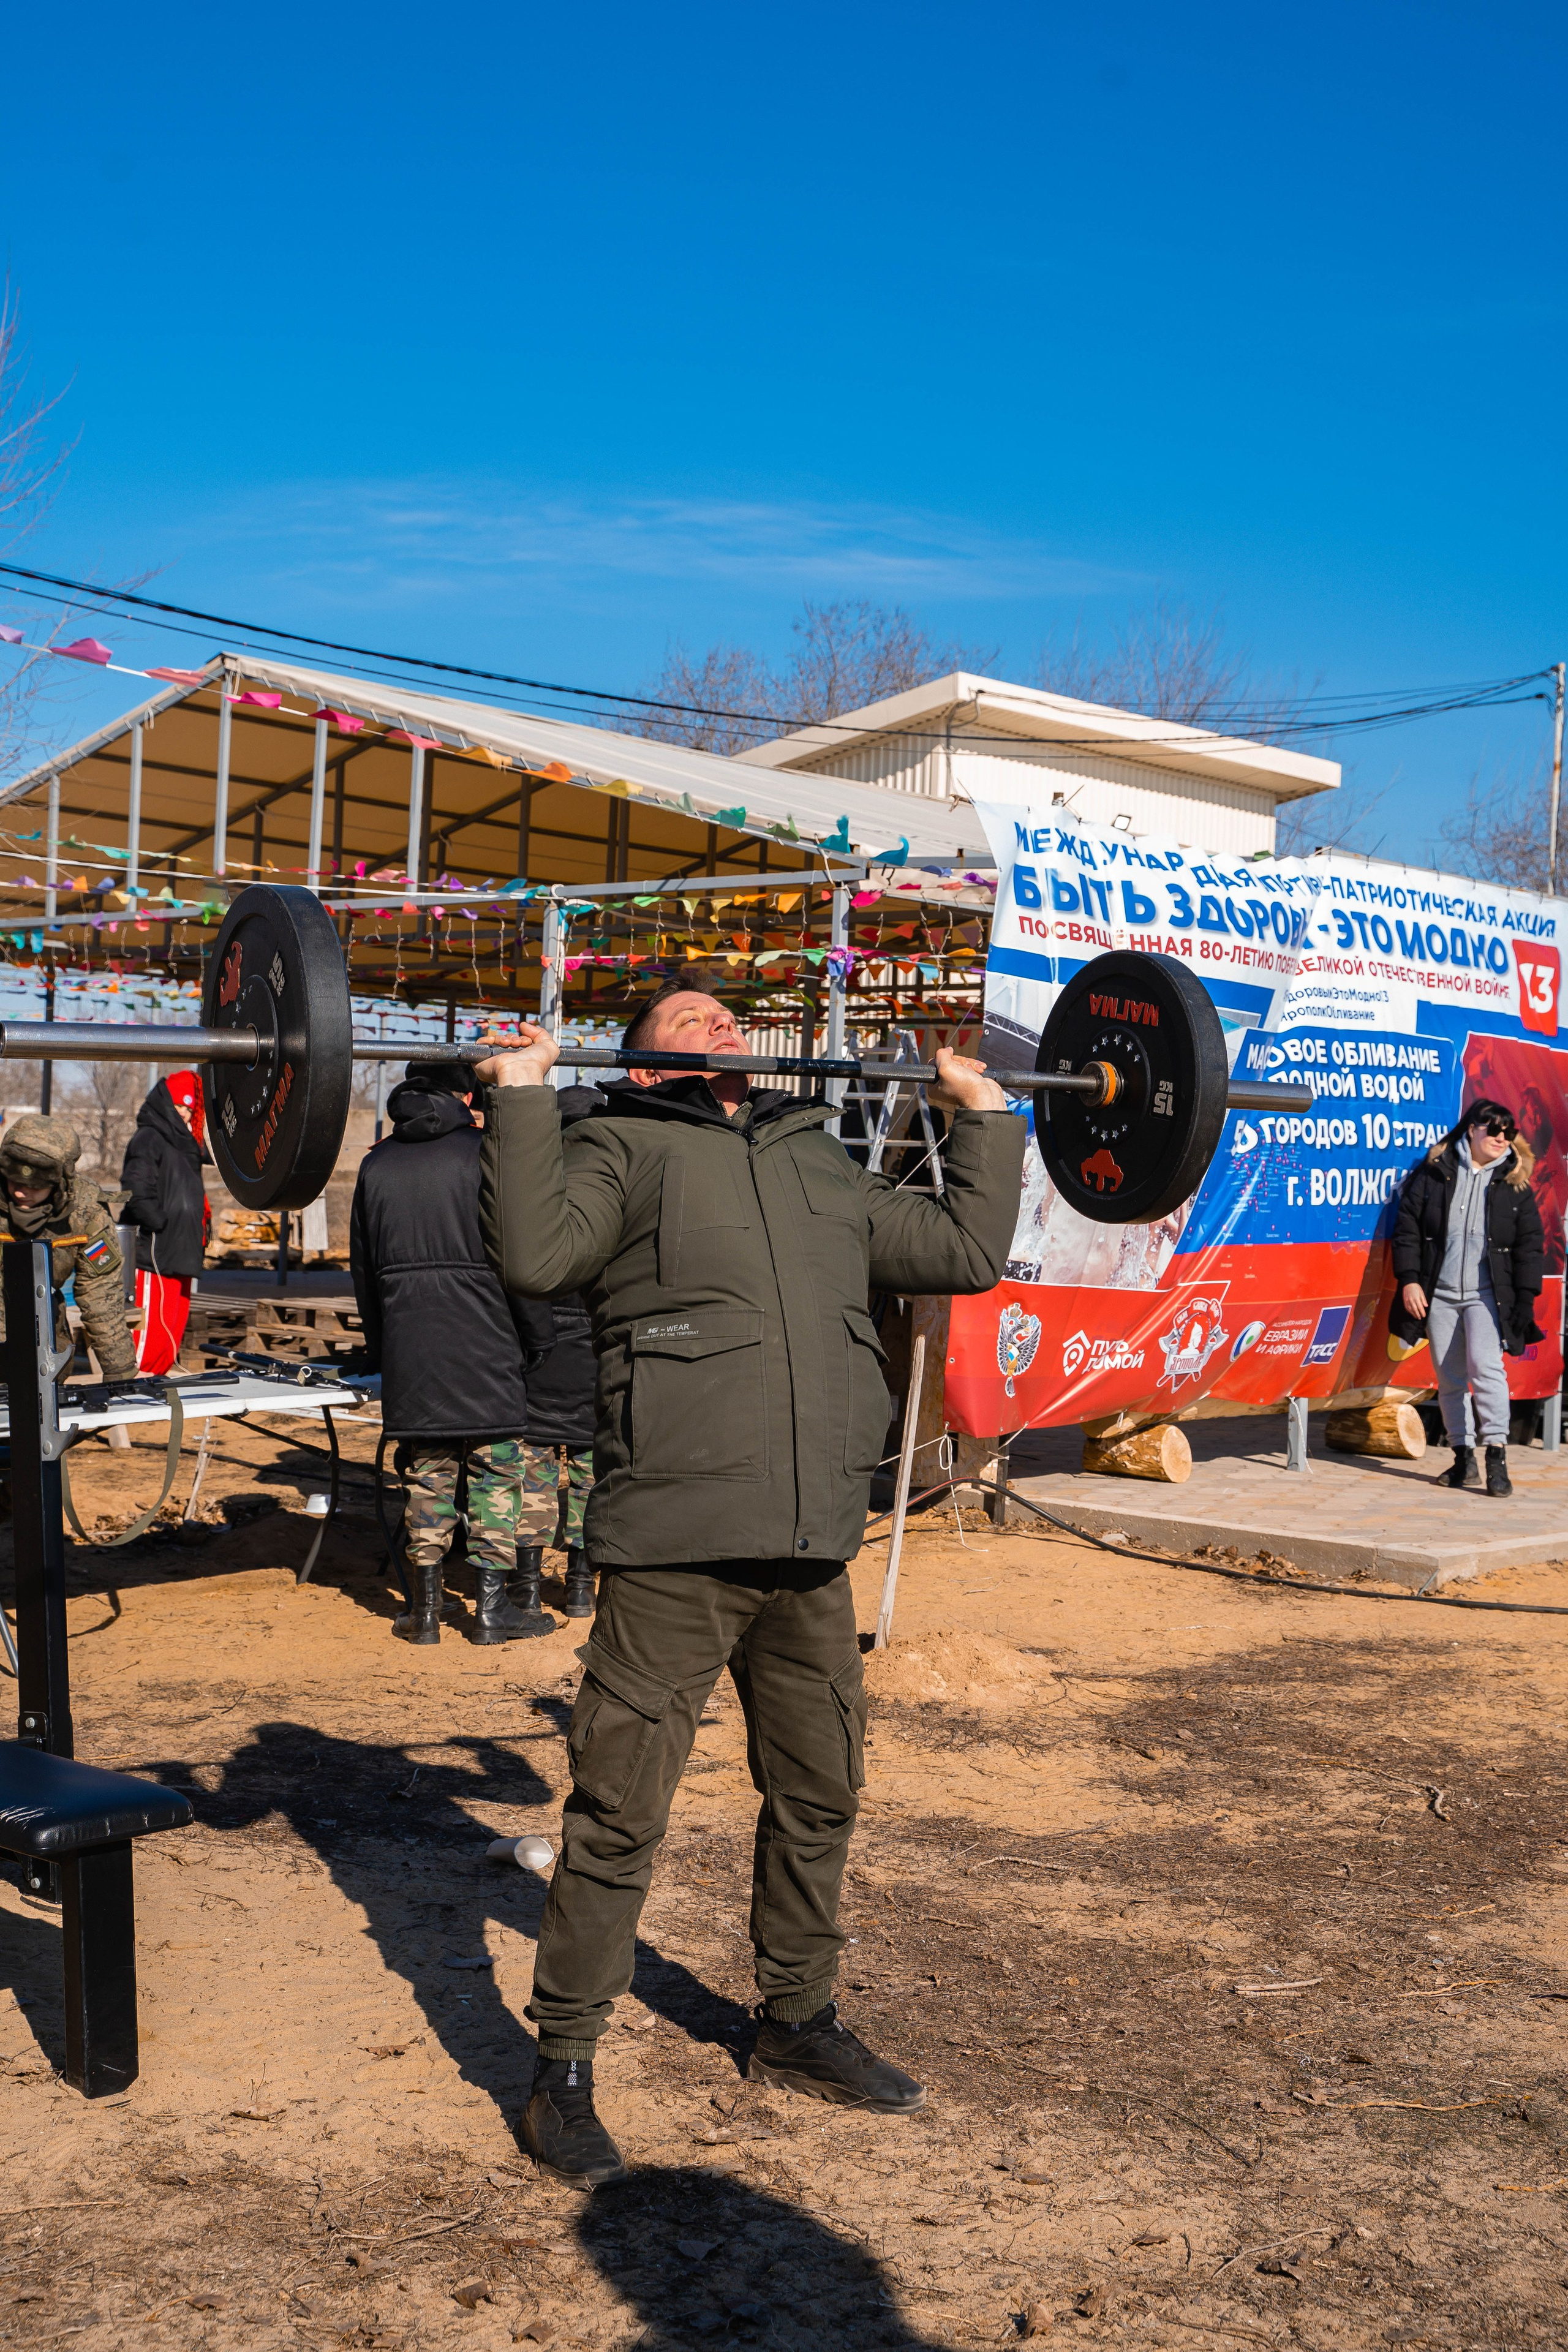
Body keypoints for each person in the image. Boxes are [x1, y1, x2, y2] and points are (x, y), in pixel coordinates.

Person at [476, 982, 1025, 2186]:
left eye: (730, 1014)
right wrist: (520, 1102)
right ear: (644, 1054)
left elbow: (962, 1251)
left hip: (809, 1543)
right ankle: (561, 2067)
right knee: (620, 1815)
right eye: (692, 1015)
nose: (724, 1023)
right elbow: (534, 1252)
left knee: (820, 1792)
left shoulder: (811, 1152)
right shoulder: (618, 1142)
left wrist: (980, 1113)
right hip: (676, 1540)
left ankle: (794, 2025)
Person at [350, 1060, 560, 1644]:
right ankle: (492, 1612)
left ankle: (425, 1614)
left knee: (427, 1471)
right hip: (487, 1331)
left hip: (412, 1342)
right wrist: (538, 1335)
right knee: (496, 1467)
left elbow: (364, 1271)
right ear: (469, 1094)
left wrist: (381, 1344)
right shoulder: (487, 1152)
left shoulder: (376, 1163)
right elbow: (524, 1256)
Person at [1391, 1096, 1545, 1498]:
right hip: (1438, 1295)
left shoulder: (1515, 1182)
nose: (1501, 1137)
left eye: (1508, 1131)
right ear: (1472, 1129)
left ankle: (1497, 1456)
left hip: (1487, 1297)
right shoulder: (1435, 1173)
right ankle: (1464, 1459)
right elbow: (1407, 1227)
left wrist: (1525, 1299)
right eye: (1493, 1128)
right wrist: (1410, 1280)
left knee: (1486, 1369)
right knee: (1449, 1377)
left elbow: (1530, 1246)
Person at [518, 1085, 603, 1621]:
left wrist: (534, 1340)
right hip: (598, 1349)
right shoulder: (620, 1182)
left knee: (533, 1475)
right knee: (595, 1477)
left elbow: (519, 1276)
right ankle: (579, 1586)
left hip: (540, 1350)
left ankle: (526, 1589)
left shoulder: (531, 1185)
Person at [0, 1115, 136, 1376]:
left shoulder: (84, 1210)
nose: (20, 1192)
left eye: (35, 1185)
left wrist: (119, 1370)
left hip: (44, 1339)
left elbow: (100, 1293)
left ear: (61, 1180)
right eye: (15, 1181)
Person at [119, 1069, 212, 1375]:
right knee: (151, 1327)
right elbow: (136, 1189)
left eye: (190, 1108)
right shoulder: (149, 1138)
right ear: (166, 1104)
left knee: (171, 1327)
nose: (185, 1115)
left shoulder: (185, 1146)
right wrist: (158, 1223)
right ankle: (136, 1382)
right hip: (154, 1252)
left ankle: (157, 1379)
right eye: (180, 1107)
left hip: (180, 1250)